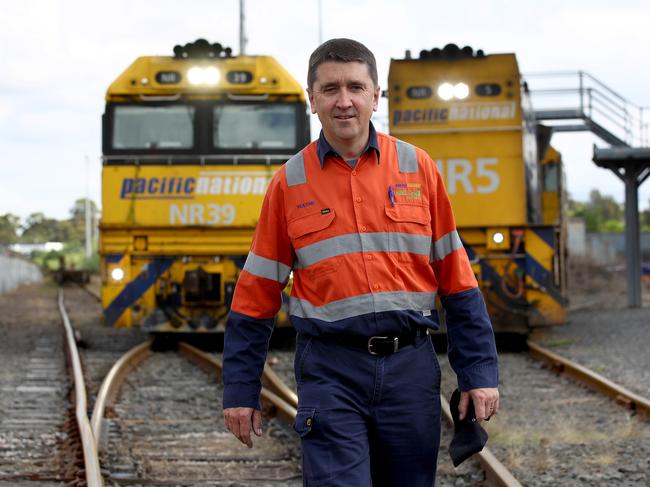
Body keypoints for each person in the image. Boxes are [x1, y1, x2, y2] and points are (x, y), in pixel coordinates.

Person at [222, 38, 499, 486]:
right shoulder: (288, 183)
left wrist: (479, 373)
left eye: (355, 87)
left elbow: (457, 280)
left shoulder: (418, 168)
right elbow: (255, 296)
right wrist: (240, 390)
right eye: (330, 89)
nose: (344, 101)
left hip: (410, 371)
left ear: (376, 96)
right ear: (312, 100)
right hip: (330, 372)